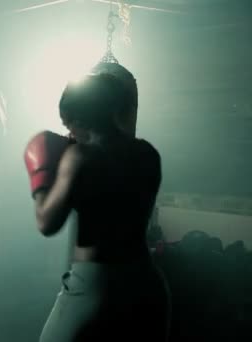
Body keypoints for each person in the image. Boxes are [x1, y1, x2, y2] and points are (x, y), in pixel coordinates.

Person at [23, 73, 171, 341]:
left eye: (69, 126)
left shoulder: (80, 157)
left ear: (77, 117)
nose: (69, 134)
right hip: (146, 283)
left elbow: (47, 222)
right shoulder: (147, 153)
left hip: (96, 285)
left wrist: (41, 177)